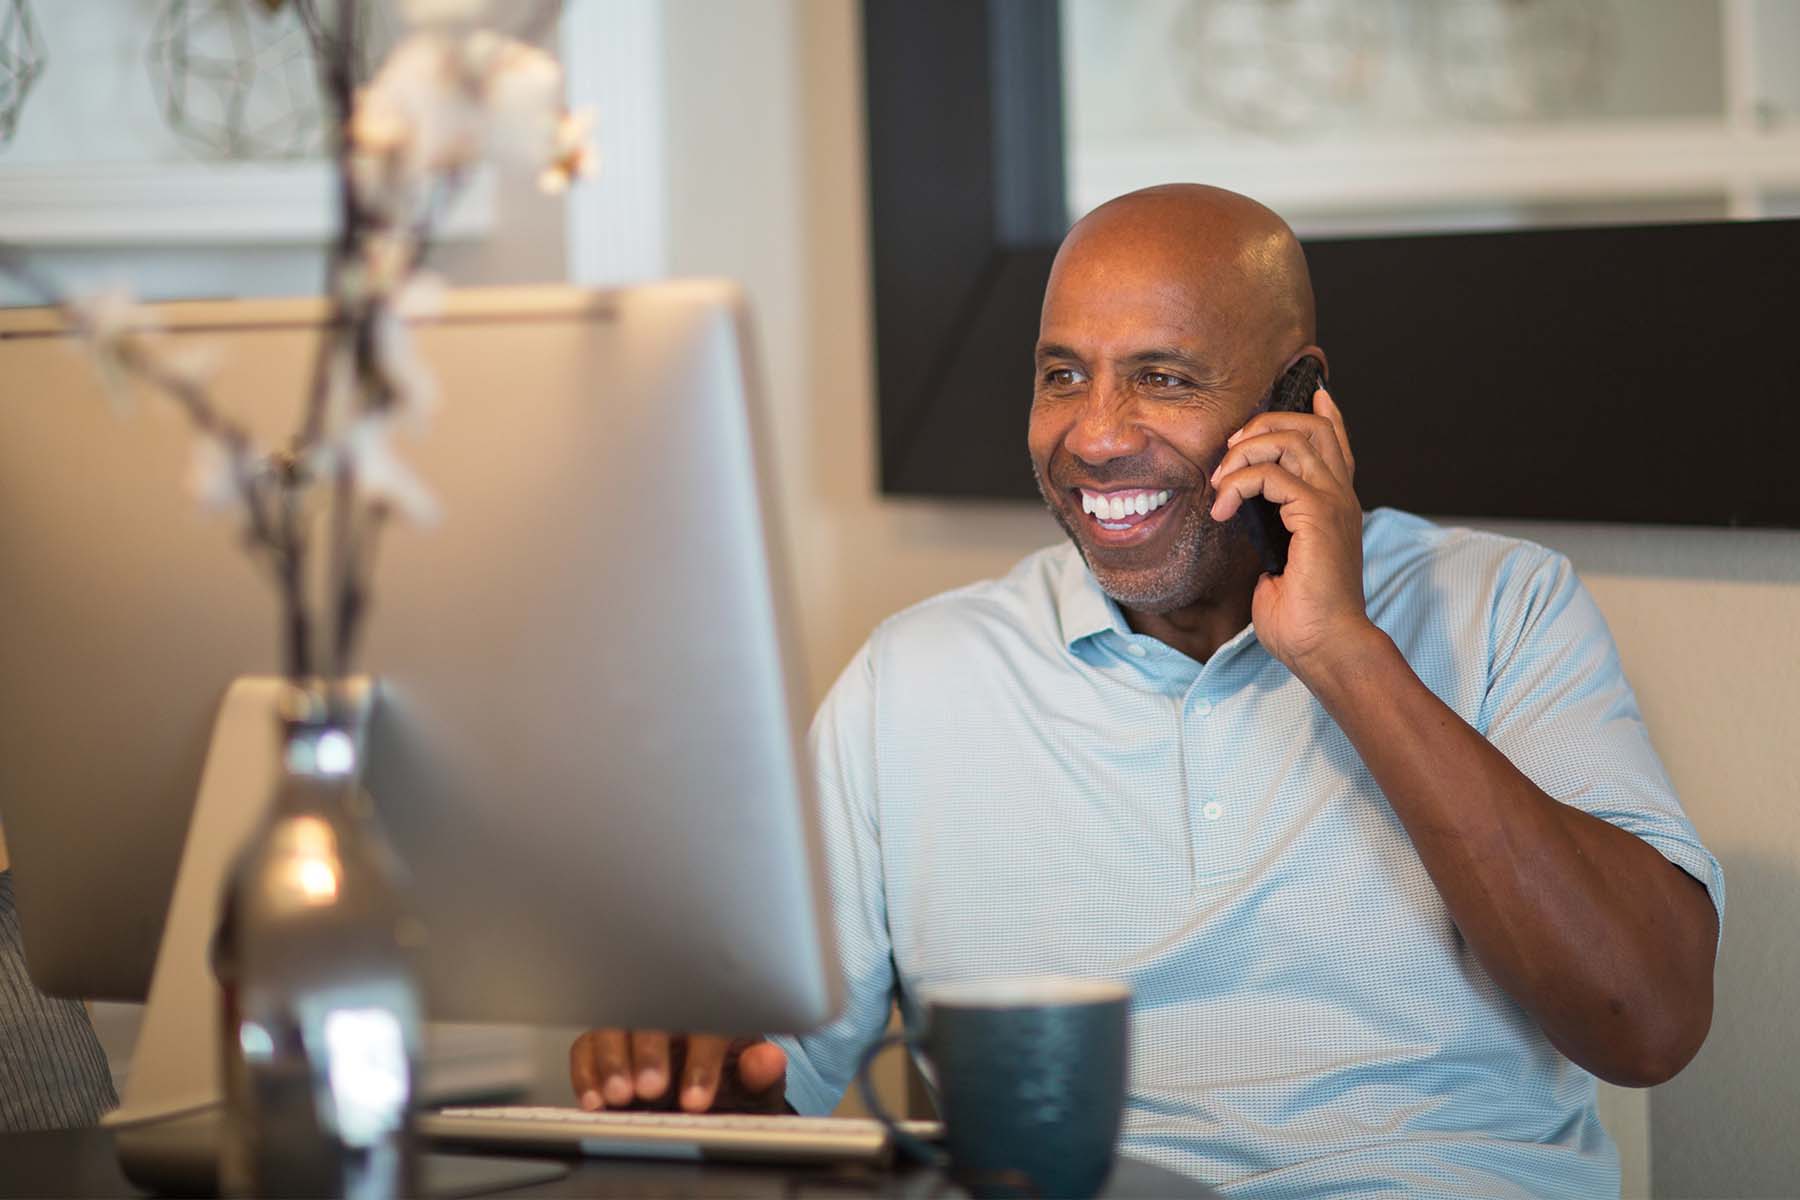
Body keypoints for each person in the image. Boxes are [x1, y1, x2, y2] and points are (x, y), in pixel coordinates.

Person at [569, 185, 1723, 1196]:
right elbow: (768, 1095)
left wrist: (1341, 649)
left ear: (1300, 400)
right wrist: (688, 1078)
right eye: (1062, 375)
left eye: (1162, 379)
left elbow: (1649, 1020)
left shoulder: (1504, 608)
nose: (1096, 436)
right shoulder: (914, 681)